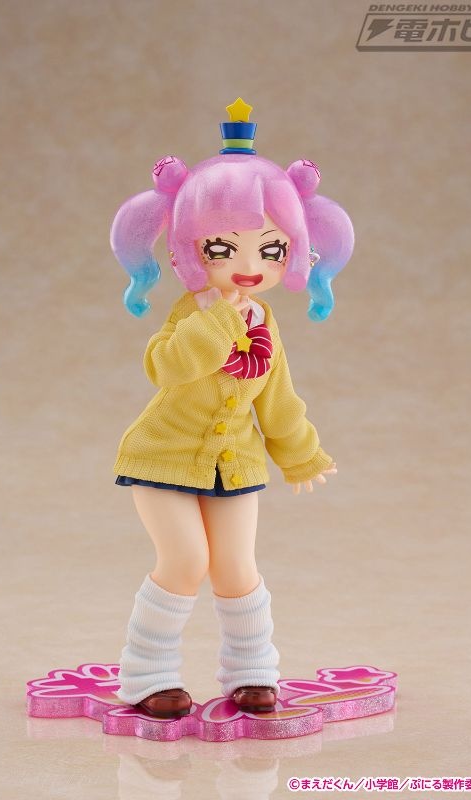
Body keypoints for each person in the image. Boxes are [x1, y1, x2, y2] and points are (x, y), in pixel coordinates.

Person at [110, 99, 354, 719]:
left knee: (237, 568)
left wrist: (301, 455)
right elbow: (165, 366)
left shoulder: (265, 319)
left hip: (236, 464)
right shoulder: (194, 313)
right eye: (223, 247)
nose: (248, 267)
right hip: (162, 457)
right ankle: (146, 677)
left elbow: (276, 397)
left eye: (271, 250)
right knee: (184, 560)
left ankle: (251, 674)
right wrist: (218, 321)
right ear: (192, 248)